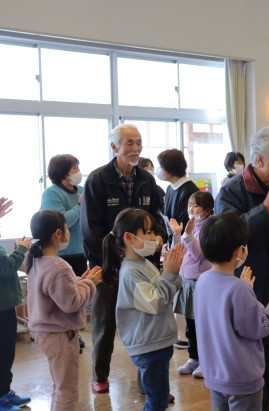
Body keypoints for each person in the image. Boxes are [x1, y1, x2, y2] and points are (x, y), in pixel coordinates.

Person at [214, 124, 269, 411]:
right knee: (239, 366)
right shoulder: (231, 190)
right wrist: (266, 209)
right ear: (260, 159)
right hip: (240, 291)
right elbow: (227, 237)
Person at [80, 123, 166, 394]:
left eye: (139, 142)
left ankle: (148, 383)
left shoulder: (147, 180)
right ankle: (100, 375)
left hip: (142, 266)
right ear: (114, 147)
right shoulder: (98, 180)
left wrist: (159, 237)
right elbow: (89, 229)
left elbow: (157, 218)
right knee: (104, 323)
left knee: (146, 321)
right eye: (129, 143)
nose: (136, 148)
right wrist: (117, 256)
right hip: (108, 266)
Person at [195, 212, 269, 411]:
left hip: (215, 375)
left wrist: (244, 289)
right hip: (241, 379)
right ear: (238, 251)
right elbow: (259, 327)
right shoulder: (238, 288)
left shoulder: (202, 281)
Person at [104, 208, 184, 411]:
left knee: (159, 397)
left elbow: (168, 289)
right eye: (148, 232)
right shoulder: (131, 272)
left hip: (156, 341)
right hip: (150, 346)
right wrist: (169, 276)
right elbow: (155, 303)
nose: (154, 237)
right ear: (129, 238)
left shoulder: (143, 262)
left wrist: (173, 273)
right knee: (157, 402)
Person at [26, 210, 102, 411]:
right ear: (58, 233)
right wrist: (90, 283)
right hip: (59, 336)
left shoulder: (37, 260)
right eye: (67, 228)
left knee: (59, 387)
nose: (69, 232)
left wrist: (80, 281)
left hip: (45, 334)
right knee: (67, 391)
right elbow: (72, 303)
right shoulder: (58, 266)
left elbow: (58, 293)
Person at [169, 191, 214, 378]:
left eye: (195, 205)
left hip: (201, 282)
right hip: (186, 281)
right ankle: (194, 357)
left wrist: (187, 235)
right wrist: (177, 234)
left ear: (207, 210)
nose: (191, 209)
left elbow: (198, 254)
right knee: (191, 325)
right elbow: (178, 251)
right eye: (189, 205)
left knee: (203, 325)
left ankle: (206, 361)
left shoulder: (209, 227)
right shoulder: (190, 225)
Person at [0, 198, 31, 411]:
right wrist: (21, 249)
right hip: (2, 308)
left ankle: (5, 392)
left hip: (5, 306)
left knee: (6, 352)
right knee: (3, 353)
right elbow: (6, 268)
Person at [41, 154, 86, 277]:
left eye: (78, 167)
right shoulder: (51, 193)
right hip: (61, 253)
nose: (78, 171)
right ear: (62, 172)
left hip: (81, 251)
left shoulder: (82, 190)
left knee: (82, 287)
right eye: (74, 168)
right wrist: (79, 206)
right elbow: (61, 222)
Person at [157, 149, 200, 243]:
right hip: (172, 243)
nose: (158, 170)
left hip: (185, 245)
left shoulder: (190, 191)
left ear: (171, 169)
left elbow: (187, 226)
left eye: (161, 166)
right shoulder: (170, 188)